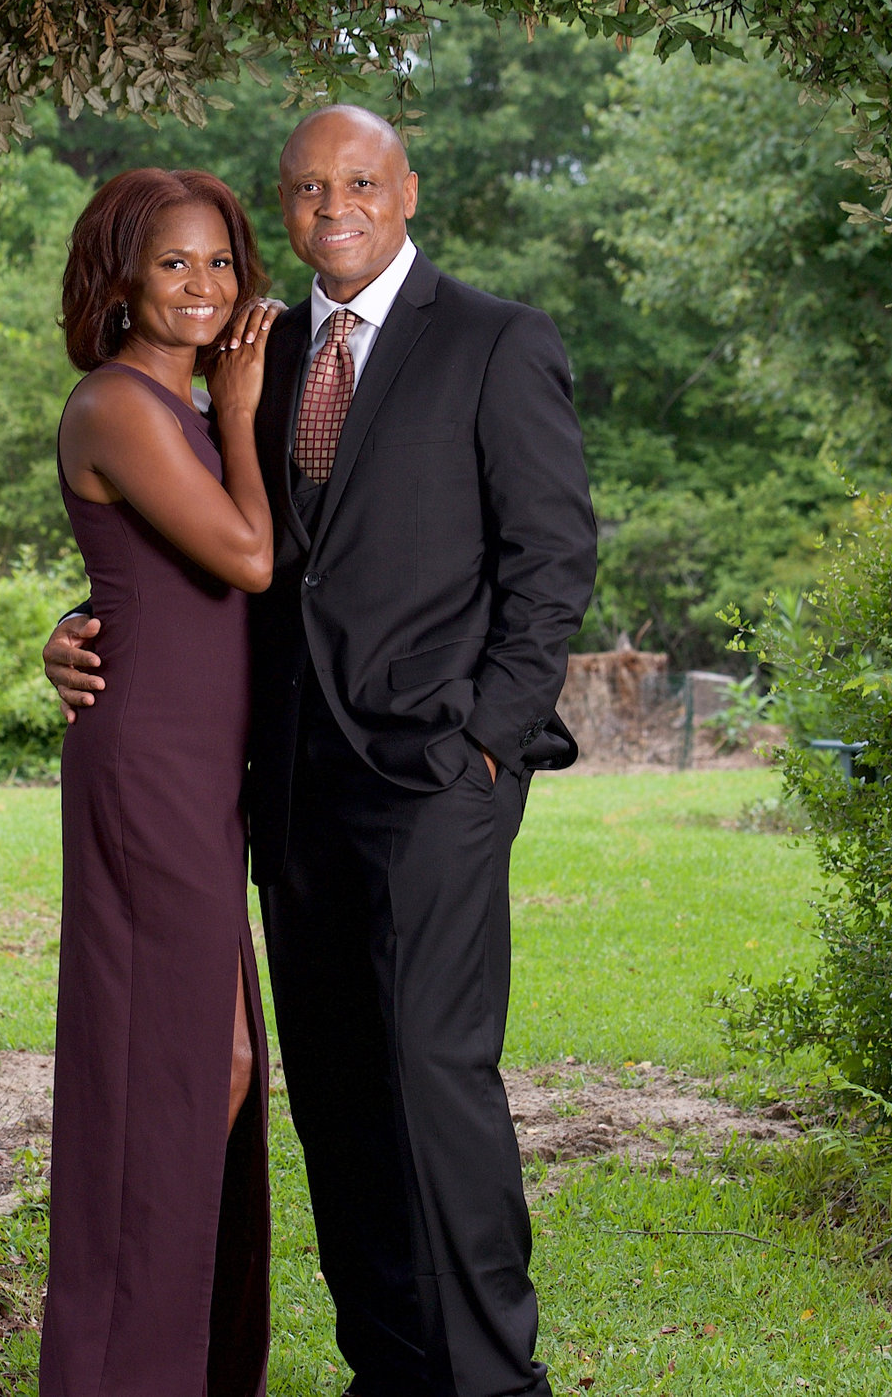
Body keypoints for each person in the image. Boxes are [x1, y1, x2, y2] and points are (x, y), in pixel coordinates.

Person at [47, 108, 596, 1397]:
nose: (330, 205)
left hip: (435, 777)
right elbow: (194, 545)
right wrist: (77, 624)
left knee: (431, 1076)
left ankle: (485, 1379)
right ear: (280, 206)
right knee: (336, 1091)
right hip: (284, 784)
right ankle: (388, 1367)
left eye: (357, 180)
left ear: (406, 189)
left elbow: (552, 559)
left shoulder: (493, 340)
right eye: (304, 187)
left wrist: (486, 743)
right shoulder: (257, 346)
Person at [42, 167, 287, 1397]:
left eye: (221, 263)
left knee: (223, 1063)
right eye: (174, 263)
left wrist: (74, 622)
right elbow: (245, 557)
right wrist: (239, 411)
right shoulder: (128, 403)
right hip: (148, 768)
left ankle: (183, 1364)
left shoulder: (175, 406)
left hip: (201, 770)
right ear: (121, 275)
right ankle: (120, 1369)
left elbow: (150, 579)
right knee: (173, 1066)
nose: (202, 286)